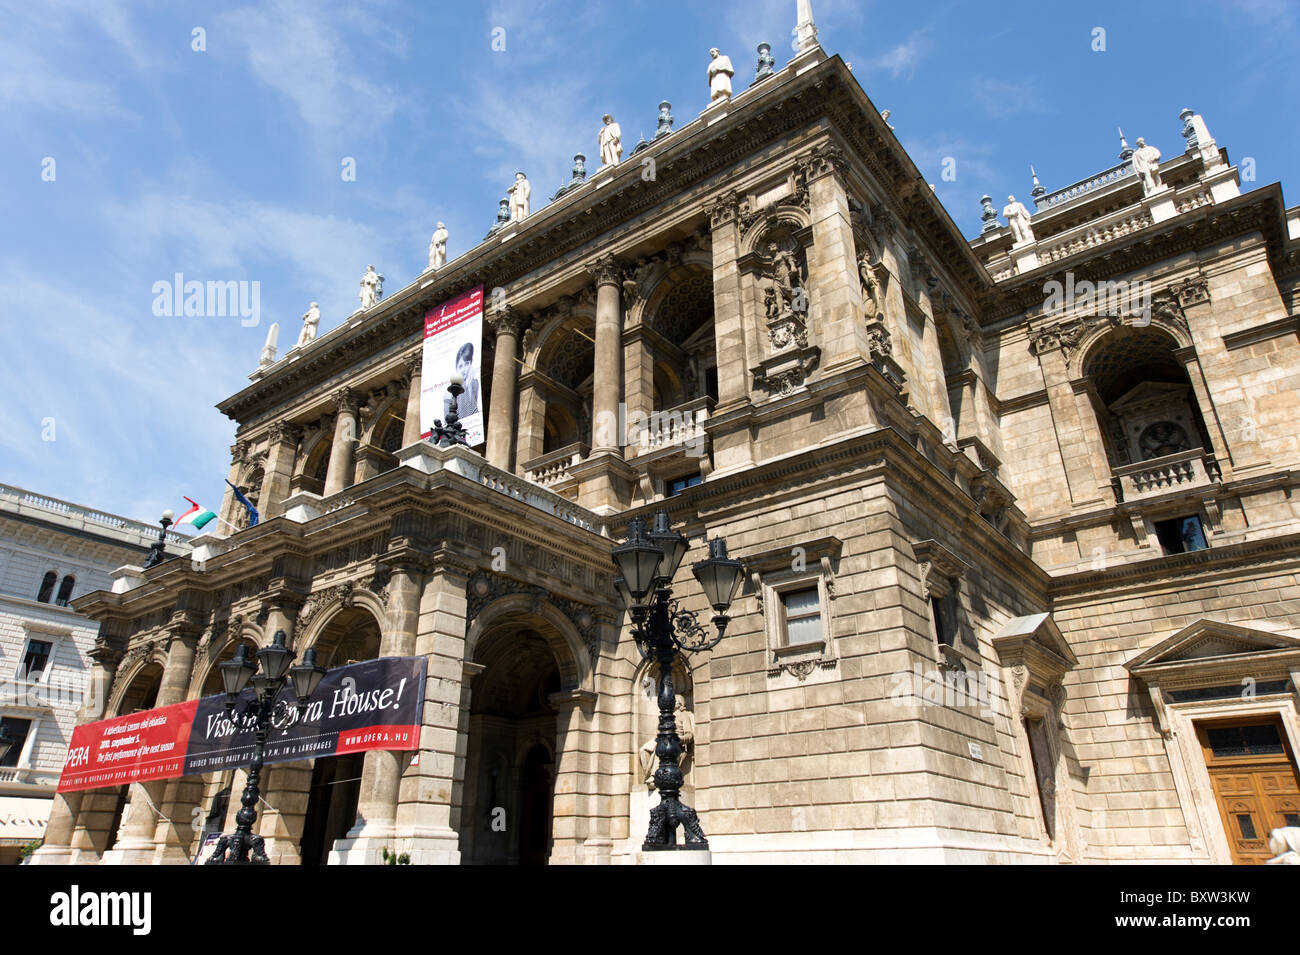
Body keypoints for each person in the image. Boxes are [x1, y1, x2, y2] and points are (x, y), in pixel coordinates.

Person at [444, 341, 480, 418]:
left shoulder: (475, 384)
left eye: (467, 364)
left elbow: (475, 411)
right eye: (460, 366)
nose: (464, 369)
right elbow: (447, 420)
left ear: (471, 364)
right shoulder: (449, 394)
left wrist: (469, 387)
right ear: (456, 368)